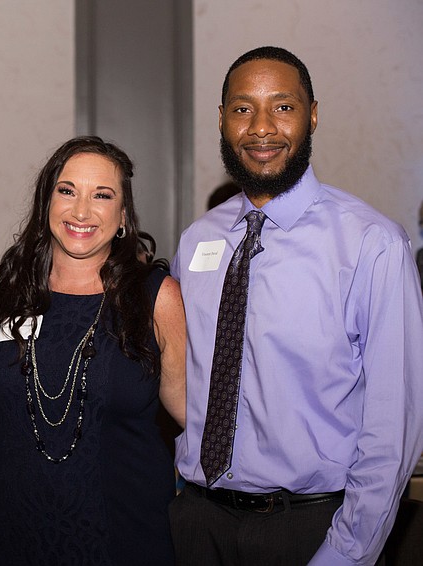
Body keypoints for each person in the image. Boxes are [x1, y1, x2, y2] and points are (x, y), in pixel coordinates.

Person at [169, 46, 423, 566]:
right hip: (197, 524)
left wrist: (346, 554)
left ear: (312, 114)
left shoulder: (372, 245)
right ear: (222, 121)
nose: (262, 127)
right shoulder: (197, 242)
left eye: (282, 107)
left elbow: (392, 428)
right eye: (243, 109)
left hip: (308, 529)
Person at [0, 136, 186, 565]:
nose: (81, 211)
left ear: (122, 217)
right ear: (46, 201)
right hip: (8, 537)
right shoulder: (6, 292)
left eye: (101, 195)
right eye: (67, 191)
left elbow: (193, 414)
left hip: (121, 539)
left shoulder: (155, 298)